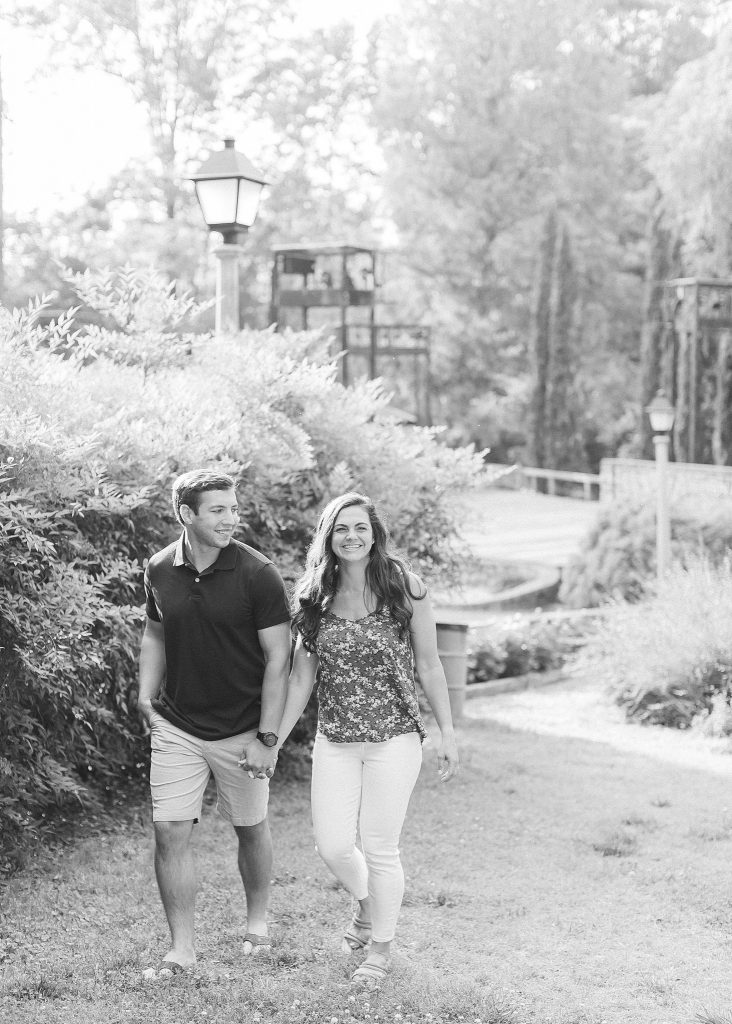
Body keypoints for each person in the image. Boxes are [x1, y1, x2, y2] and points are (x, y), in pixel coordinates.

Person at [276, 491, 460, 986]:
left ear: (374, 533)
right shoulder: (314, 597)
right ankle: (365, 907)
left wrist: (447, 731)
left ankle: (380, 948)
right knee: (333, 846)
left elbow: (429, 664)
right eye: (341, 528)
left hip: (395, 738)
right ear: (328, 538)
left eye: (360, 527)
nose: (351, 536)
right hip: (335, 738)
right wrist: (273, 741)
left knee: (380, 847)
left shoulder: (405, 588)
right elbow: (300, 680)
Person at [138, 469, 291, 978]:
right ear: (187, 515)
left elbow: (278, 658)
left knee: (250, 828)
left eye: (233, 508)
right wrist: (144, 694)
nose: (232, 518)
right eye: (218, 510)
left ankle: (258, 922)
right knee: (168, 832)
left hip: (243, 729)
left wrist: (267, 737)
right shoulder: (160, 568)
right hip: (178, 724)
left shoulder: (258, 573)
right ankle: (181, 947)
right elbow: (155, 633)